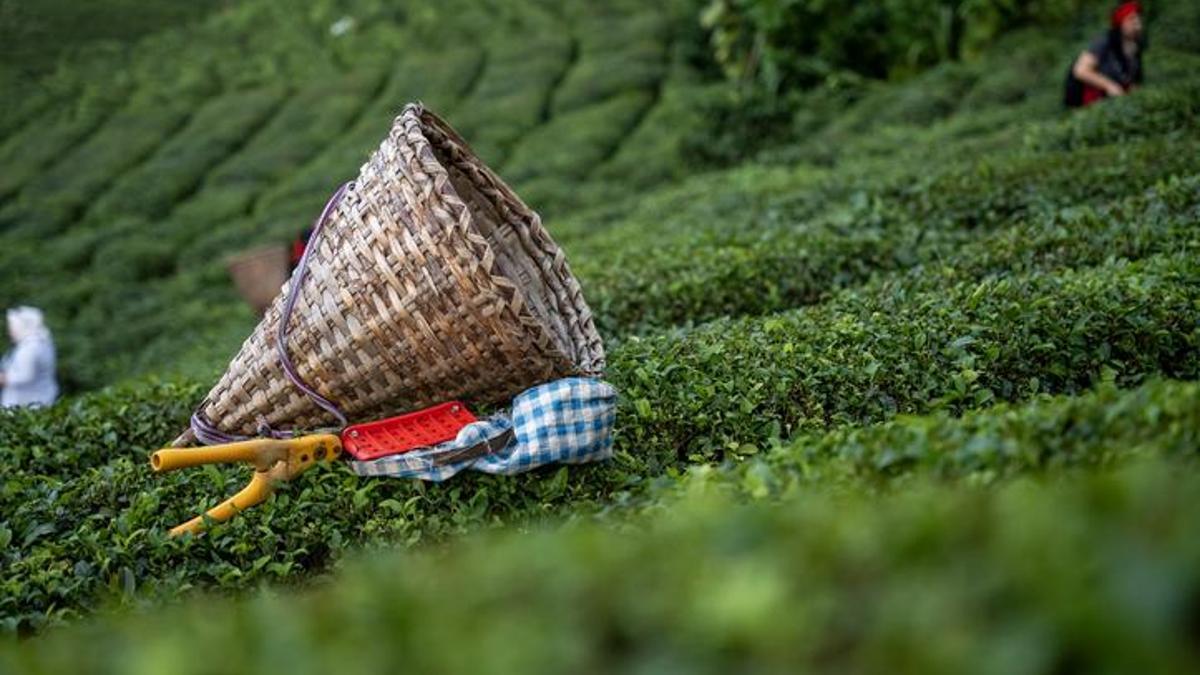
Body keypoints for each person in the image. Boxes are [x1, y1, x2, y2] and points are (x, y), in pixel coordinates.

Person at [1064, 2, 1146, 108]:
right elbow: (1080, 70)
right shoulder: (1104, 42)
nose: (1137, 23)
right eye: (1131, 19)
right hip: (1091, 98)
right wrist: (1109, 85)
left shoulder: (1136, 46)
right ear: (1121, 22)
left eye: (1138, 19)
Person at [1, 307, 59, 408]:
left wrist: (3, 379)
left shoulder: (31, 348)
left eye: (12, 327)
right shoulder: (39, 342)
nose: (10, 331)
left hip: (27, 404)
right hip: (36, 400)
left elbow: (25, 376)